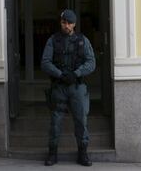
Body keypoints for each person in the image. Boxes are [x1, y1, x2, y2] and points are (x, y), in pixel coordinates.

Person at [41, 9, 96, 167]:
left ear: (74, 24)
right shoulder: (53, 40)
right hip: (59, 87)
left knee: (81, 121)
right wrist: (59, 74)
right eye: (64, 22)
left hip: (77, 86)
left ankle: (83, 153)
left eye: (69, 23)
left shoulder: (82, 40)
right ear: (61, 22)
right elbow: (45, 62)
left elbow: (91, 63)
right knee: (55, 121)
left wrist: (76, 73)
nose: (66, 25)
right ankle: (52, 154)